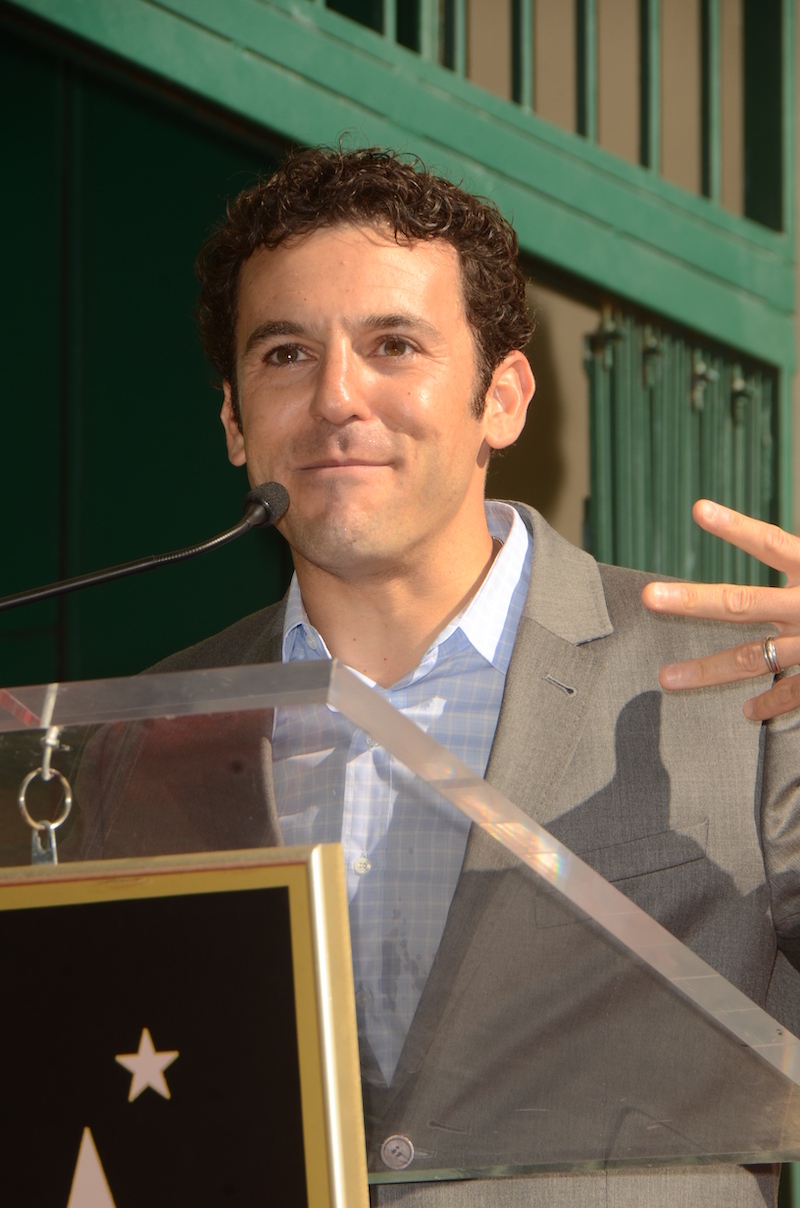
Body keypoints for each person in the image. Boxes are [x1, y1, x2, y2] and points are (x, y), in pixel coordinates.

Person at [71, 146, 800, 1207]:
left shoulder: (747, 686)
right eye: (284, 353)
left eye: (393, 343)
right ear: (234, 421)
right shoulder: (139, 737)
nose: (334, 397)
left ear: (499, 399)